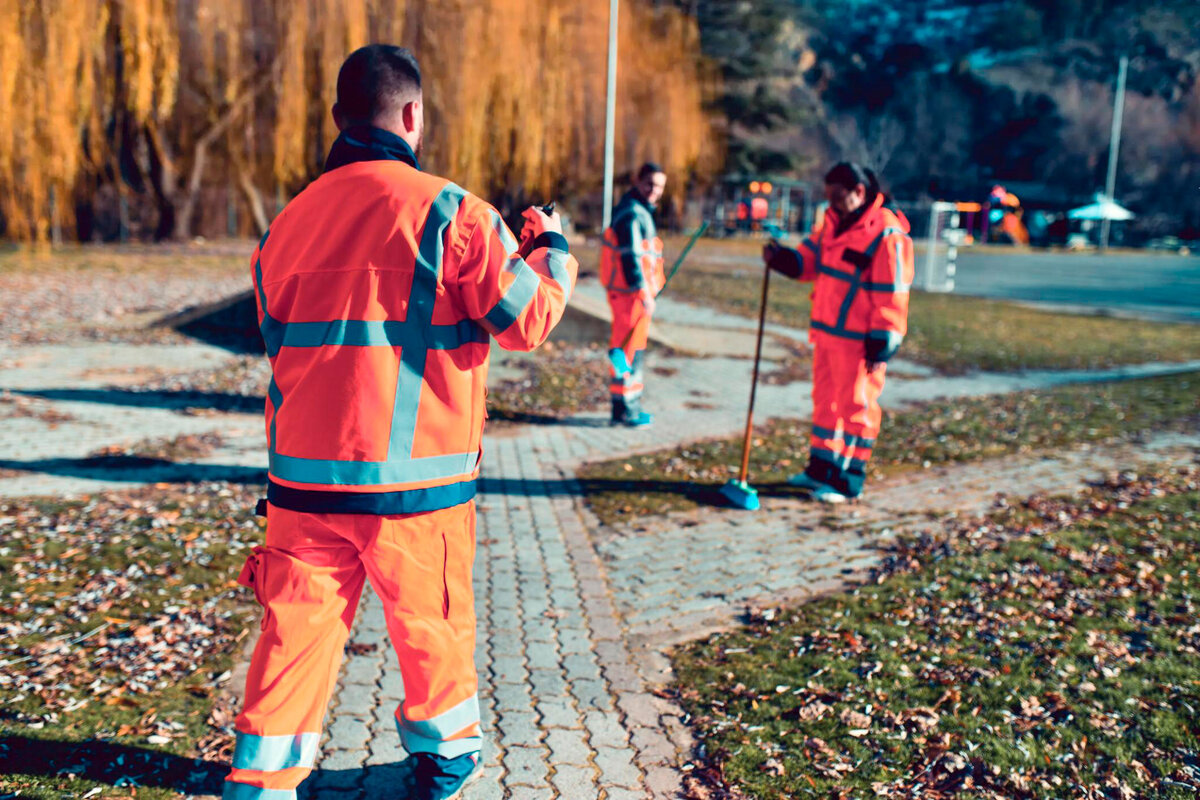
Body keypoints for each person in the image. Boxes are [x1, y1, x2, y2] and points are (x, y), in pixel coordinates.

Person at [223, 44, 577, 800]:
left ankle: (259, 781)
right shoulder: (453, 213)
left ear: (337, 117)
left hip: (302, 487)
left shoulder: (284, 227)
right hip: (416, 489)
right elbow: (528, 318)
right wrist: (550, 247)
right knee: (430, 631)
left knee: (294, 637)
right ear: (413, 115)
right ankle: (444, 764)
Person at [762, 161, 913, 503]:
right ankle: (821, 468)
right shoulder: (831, 223)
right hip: (827, 334)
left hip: (861, 342)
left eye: (837, 196)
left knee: (856, 407)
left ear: (859, 192)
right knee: (825, 404)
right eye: (828, 195)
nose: (831, 203)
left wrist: (885, 337)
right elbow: (809, 260)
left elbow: (894, 290)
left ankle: (849, 480)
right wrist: (782, 259)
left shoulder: (886, 232)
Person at [600, 162, 667, 427]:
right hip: (631, 297)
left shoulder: (638, 210)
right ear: (637, 181)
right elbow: (630, 258)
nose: (654, 190)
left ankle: (626, 406)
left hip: (631, 296)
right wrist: (644, 293)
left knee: (628, 350)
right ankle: (625, 409)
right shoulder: (631, 213)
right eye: (650, 184)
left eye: (659, 186)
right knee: (627, 352)